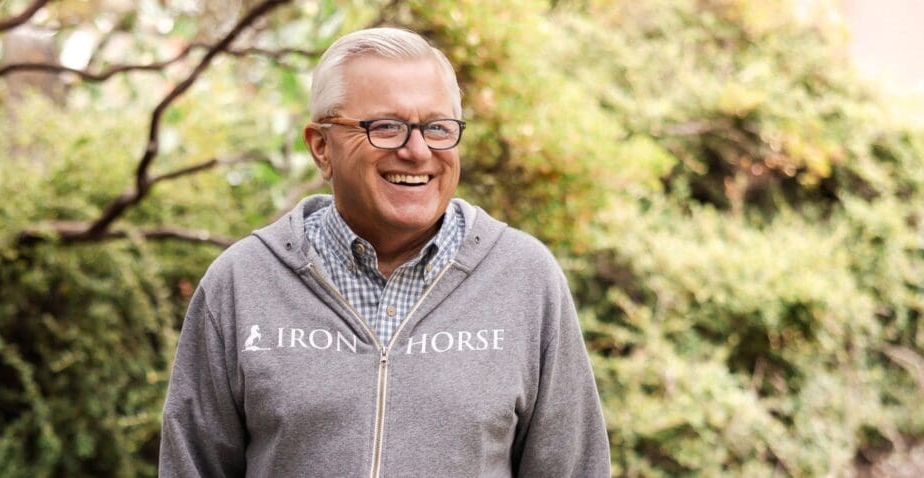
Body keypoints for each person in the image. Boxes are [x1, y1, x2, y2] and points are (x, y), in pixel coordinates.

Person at [159, 27, 610, 477]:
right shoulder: (241, 283)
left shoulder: (525, 279)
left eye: (437, 127)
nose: (417, 151)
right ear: (321, 147)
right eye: (386, 127)